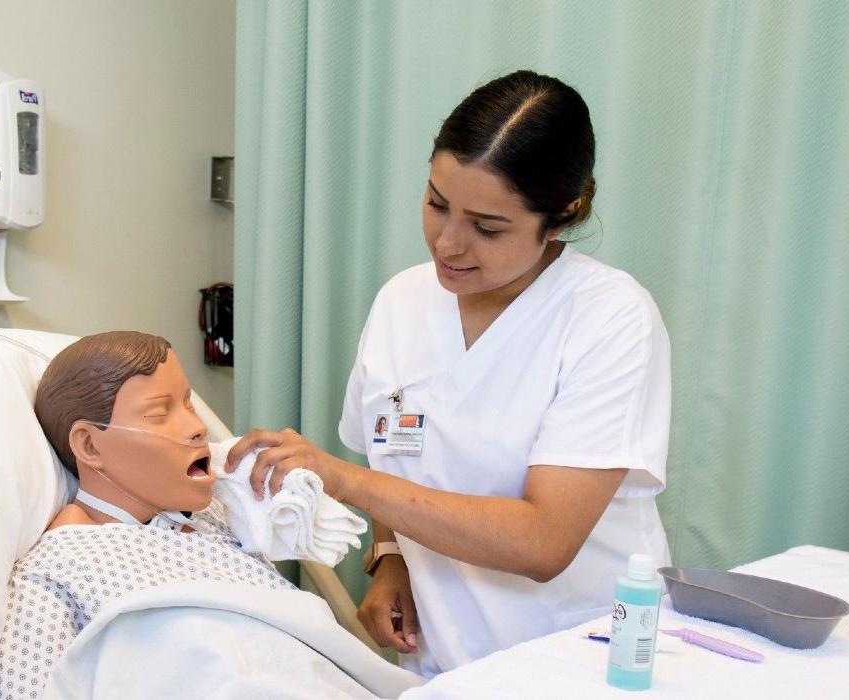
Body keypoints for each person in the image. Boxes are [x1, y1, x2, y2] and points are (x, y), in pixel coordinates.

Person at [227, 70, 673, 677]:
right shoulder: (401, 302)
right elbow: (392, 455)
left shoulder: (608, 318)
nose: (448, 244)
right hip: (441, 664)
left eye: (487, 228)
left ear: (563, 215)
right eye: (437, 204)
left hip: (578, 661)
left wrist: (340, 479)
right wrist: (390, 559)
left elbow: (543, 543)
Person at [0, 332, 295, 699]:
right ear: (89, 445)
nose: (197, 428)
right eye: (160, 413)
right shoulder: (59, 573)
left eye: (188, 404)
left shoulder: (217, 516)